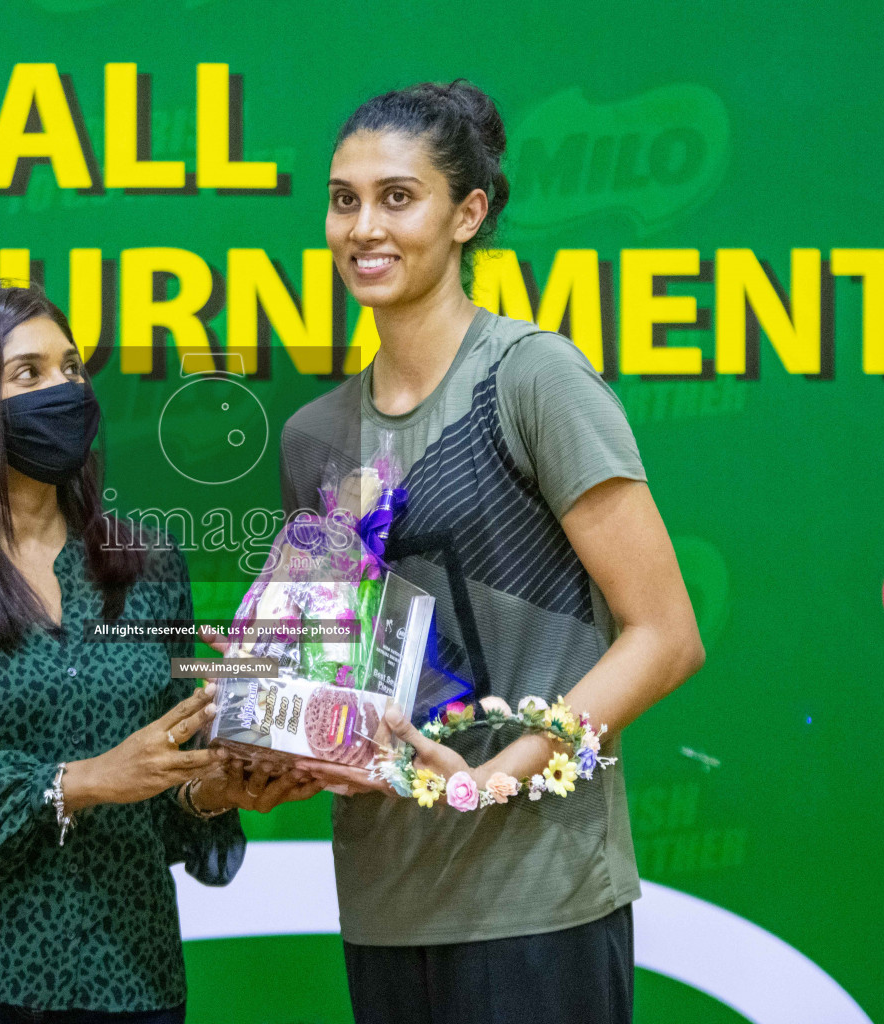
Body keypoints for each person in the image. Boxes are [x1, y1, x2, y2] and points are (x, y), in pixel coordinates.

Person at [285, 83, 706, 1023]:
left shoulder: (532, 378)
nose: (363, 226)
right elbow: (330, 675)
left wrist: (489, 780)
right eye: (344, 199)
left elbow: (666, 636)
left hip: (537, 892)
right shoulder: (313, 437)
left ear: (468, 213)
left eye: (399, 196)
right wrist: (272, 748)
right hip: (385, 902)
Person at [0, 281, 317, 1024]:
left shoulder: (145, 560)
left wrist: (215, 786)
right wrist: (78, 782)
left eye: (73, 367)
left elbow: (162, 795)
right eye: (29, 375)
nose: (66, 391)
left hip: (125, 979)